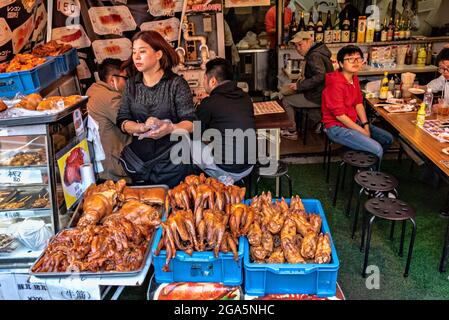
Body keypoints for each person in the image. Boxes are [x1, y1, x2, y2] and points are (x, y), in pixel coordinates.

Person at [116, 31, 196, 187]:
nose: (136, 57)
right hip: (141, 164)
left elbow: (192, 123)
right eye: (134, 52)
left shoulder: (176, 84)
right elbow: (122, 120)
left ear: (158, 54)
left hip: (174, 162)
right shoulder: (131, 85)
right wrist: (140, 127)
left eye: (142, 51)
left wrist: (170, 128)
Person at [322, 45, 393, 168]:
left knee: (387, 139)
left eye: (358, 58)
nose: (355, 62)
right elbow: (339, 116)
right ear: (340, 63)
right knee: (376, 149)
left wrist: (366, 126)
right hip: (336, 127)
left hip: (353, 121)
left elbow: (358, 103)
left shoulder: (353, 78)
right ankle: (372, 181)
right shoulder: (335, 84)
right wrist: (362, 131)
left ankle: (365, 165)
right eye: (350, 59)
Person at [194, 58, 255, 183]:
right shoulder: (245, 97)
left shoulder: (209, 103)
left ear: (212, 81)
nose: (204, 82)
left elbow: (196, 133)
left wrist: (203, 104)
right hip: (249, 166)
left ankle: (219, 180)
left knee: (188, 144)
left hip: (228, 169)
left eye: (204, 79)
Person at [281, 31, 333, 140]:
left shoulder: (314, 56)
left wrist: (300, 86)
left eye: (300, 45)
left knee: (286, 100)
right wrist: (299, 85)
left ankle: (292, 131)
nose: (298, 49)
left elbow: (320, 76)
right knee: (288, 93)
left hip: (318, 96)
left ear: (309, 41)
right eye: (296, 46)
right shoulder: (319, 51)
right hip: (323, 93)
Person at [86, 58, 131, 181]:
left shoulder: (93, 90)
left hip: (101, 164)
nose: (127, 83)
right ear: (112, 80)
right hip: (114, 167)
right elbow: (132, 122)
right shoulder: (110, 98)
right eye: (125, 78)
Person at [265, 0, 292, 90]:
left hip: (287, 47)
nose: (288, 2)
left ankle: (281, 90)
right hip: (274, 46)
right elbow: (269, 30)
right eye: (287, 0)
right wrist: (284, 27)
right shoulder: (271, 12)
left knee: (284, 70)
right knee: (273, 70)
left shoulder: (289, 11)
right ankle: (271, 92)